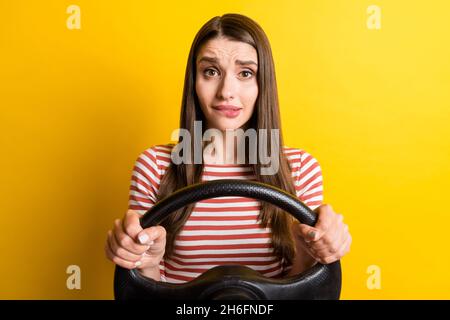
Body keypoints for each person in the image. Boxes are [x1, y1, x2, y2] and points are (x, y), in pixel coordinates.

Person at [105, 13, 352, 283]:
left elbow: (302, 289)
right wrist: (142, 258)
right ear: (194, 81)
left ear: (263, 84)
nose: (226, 91)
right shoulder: (155, 166)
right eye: (211, 71)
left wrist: (315, 251)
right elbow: (147, 291)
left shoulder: (301, 169)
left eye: (245, 73)